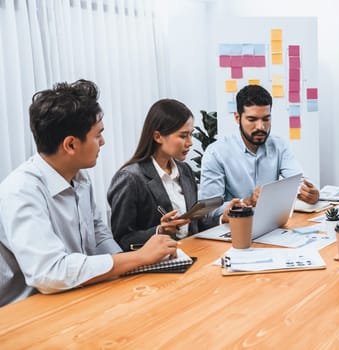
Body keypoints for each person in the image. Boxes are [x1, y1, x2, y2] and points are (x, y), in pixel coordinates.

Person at [0, 80, 179, 307]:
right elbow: (48, 273)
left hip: (74, 296)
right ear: (71, 145)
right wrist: (138, 257)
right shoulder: (21, 190)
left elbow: (99, 235)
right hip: (26, 312)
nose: (102, 142)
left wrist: (133, 267)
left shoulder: (79, 177)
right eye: (98, 135)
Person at [108, 99, 240, 251]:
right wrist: (159, 231)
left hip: (192, 255)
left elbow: (195, 225)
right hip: (157, 265)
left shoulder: (185, 171)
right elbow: (122, 239)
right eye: (183, 136)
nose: (190, 142)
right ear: (157, 136)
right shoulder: (130, 178)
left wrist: (222, 219)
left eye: (191, 135)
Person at [199, 84, 319, 224]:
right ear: (237, 118)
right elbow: (208, 211)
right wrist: (247, 201)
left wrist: (311, 193)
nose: (261, 127)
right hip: (235, 228)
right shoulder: (216, 153)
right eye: (252, 120)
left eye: (266, 119)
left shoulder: (279, 145)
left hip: (270, 225)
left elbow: (300, 181)